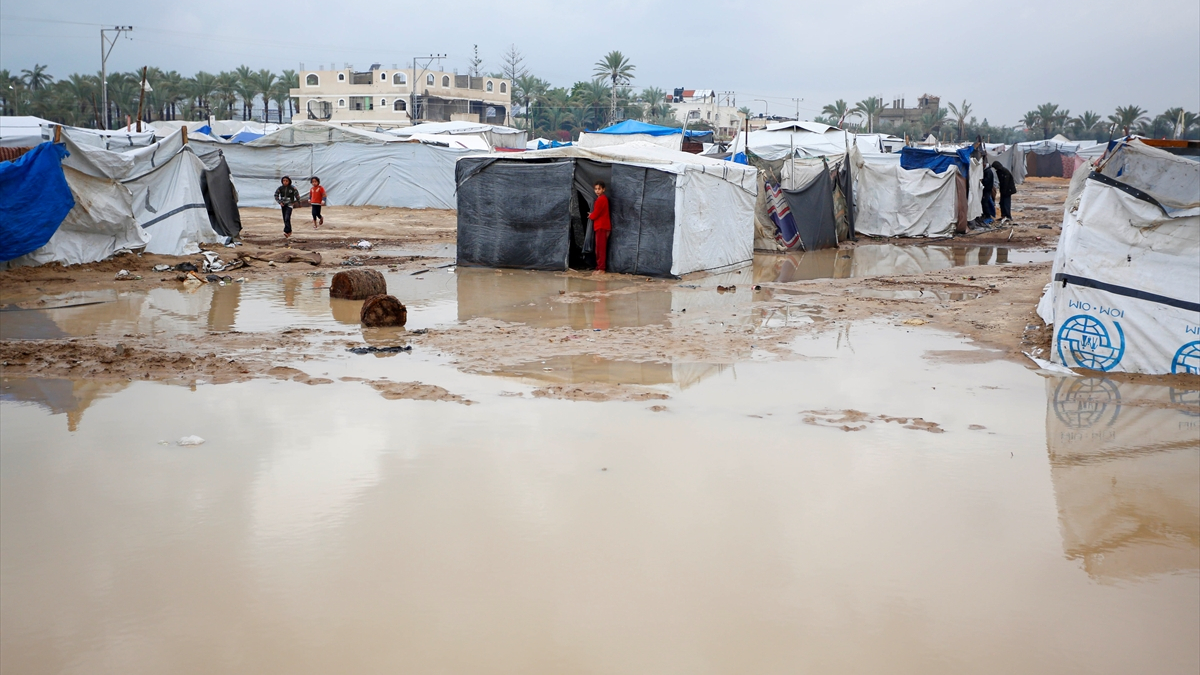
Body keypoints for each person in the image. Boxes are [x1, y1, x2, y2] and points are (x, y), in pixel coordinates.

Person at [588, 181, 611, 273]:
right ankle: (599, 267)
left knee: (600, 249)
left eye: (599, 189)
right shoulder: (602, 199)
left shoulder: (601, 199)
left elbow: (595, 214)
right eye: (596, 189)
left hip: (602, 226)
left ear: (603, 189)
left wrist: (590, 215)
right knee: (599, 248)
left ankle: (601, 268)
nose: (597, 191)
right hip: (601, 226)